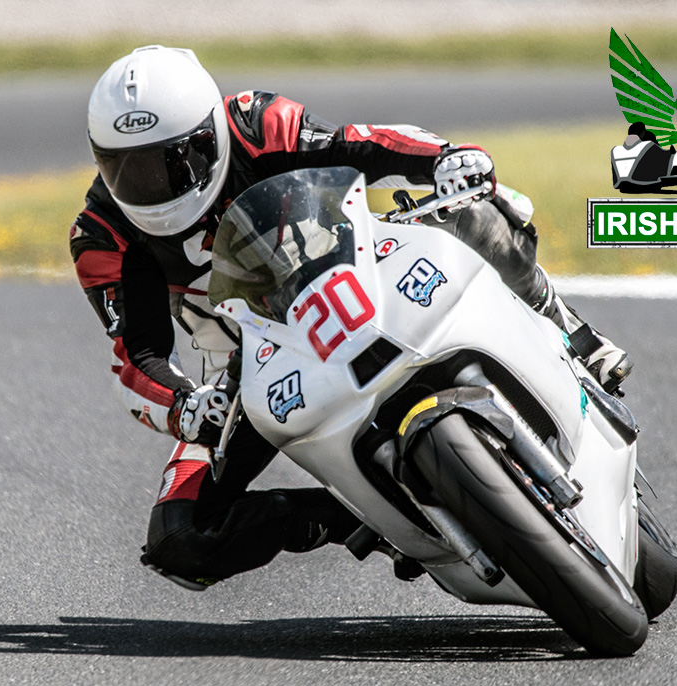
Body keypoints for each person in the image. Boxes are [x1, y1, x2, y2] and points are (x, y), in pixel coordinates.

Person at [69, 45, 632, 590]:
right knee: (179, 538)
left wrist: (442, 158)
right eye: (126, 170)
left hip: (352, 269)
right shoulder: (101, 235)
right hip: (252, 364)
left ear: (210, 134)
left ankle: (568, 328)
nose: (150, 188)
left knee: (479, 210)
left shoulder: (255, 123)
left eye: (171, 162)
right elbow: (137, 358)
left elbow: (358, 145)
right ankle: (358, 518)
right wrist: (185, 406)